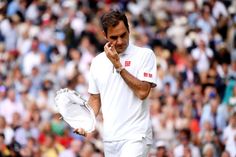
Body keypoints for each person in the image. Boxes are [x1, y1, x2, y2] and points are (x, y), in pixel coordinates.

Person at [74, 10, 157, 156]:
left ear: (129, 30)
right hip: (110, 139)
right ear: (105, 36)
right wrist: (85, 123)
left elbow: (143, 92)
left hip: (136, 136)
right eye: (114, 37)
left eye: (123, 35)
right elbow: (94, 100)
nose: (120, 41)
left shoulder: (145, 55)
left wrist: (118, 66)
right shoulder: (97, 62)